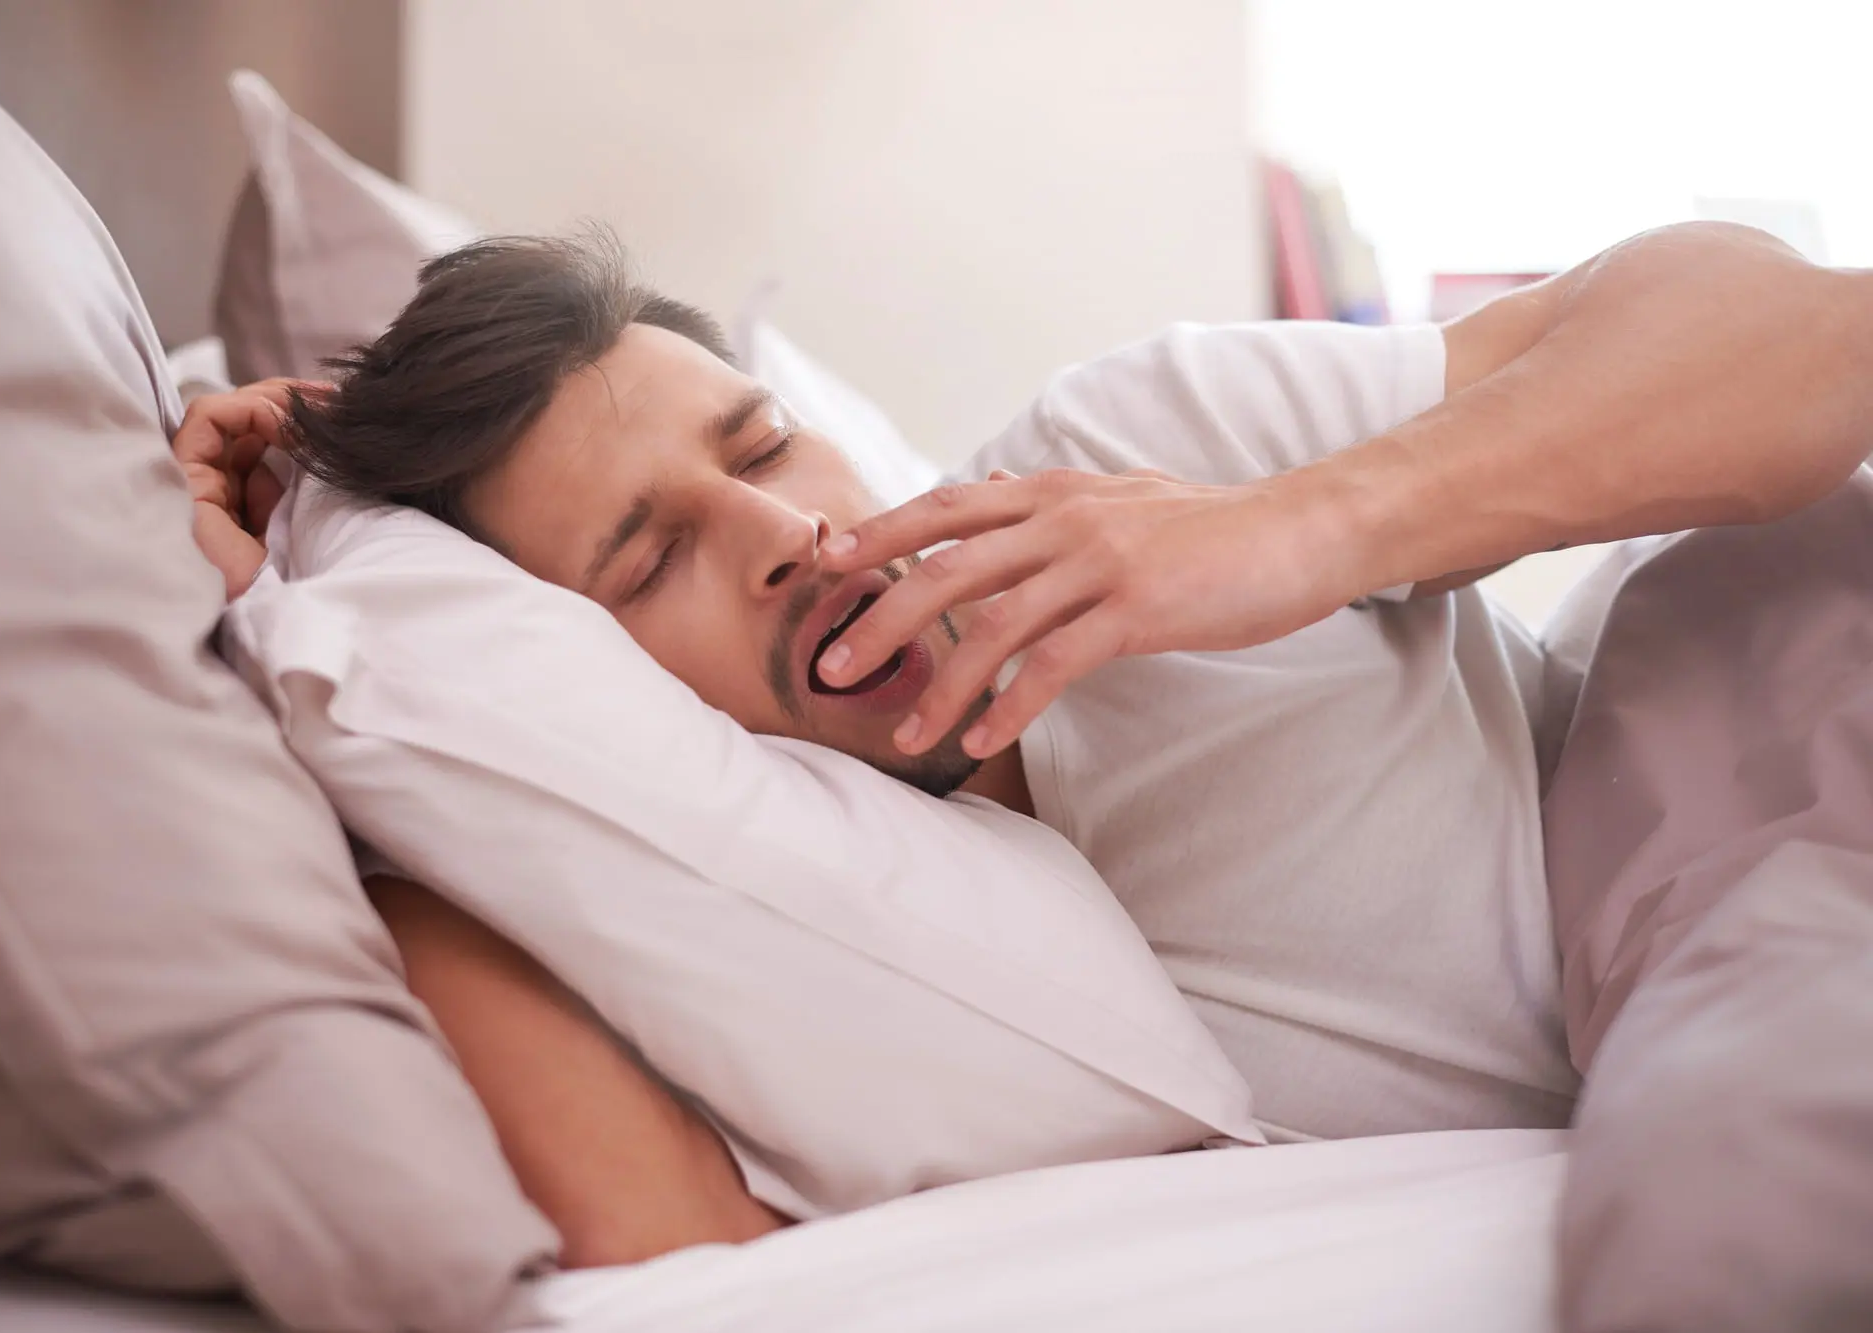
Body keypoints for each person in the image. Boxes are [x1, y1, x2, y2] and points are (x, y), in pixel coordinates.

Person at [174, 223, 1873, 1265]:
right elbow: (654, 1235)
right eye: (646, 558)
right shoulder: (792, 950)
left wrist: (1309, 528)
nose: (780, 532)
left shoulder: (1125, 451)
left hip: (1770, 725)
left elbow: (1813, 329)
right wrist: (300, 616)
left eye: (765, 446)